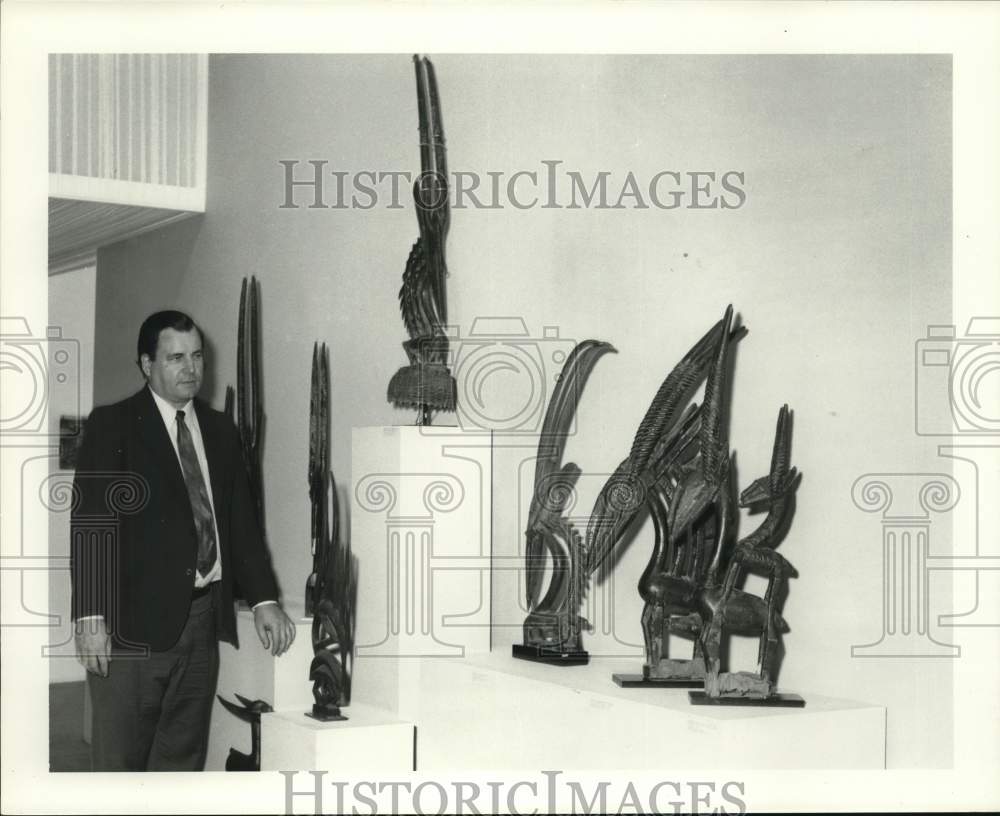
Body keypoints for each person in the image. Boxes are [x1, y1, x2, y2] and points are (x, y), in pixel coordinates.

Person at [71, 309, 296, 771]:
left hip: (198, 625)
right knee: (119, 768)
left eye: (196, 356)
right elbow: (91, 524)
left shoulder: (220, 431)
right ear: (146, 364)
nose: (190, 368)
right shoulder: (112, 425)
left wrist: (264, 600)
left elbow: (240, 523)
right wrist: (89, 615)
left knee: (181, 762)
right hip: (129, 631)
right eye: (175, 358)